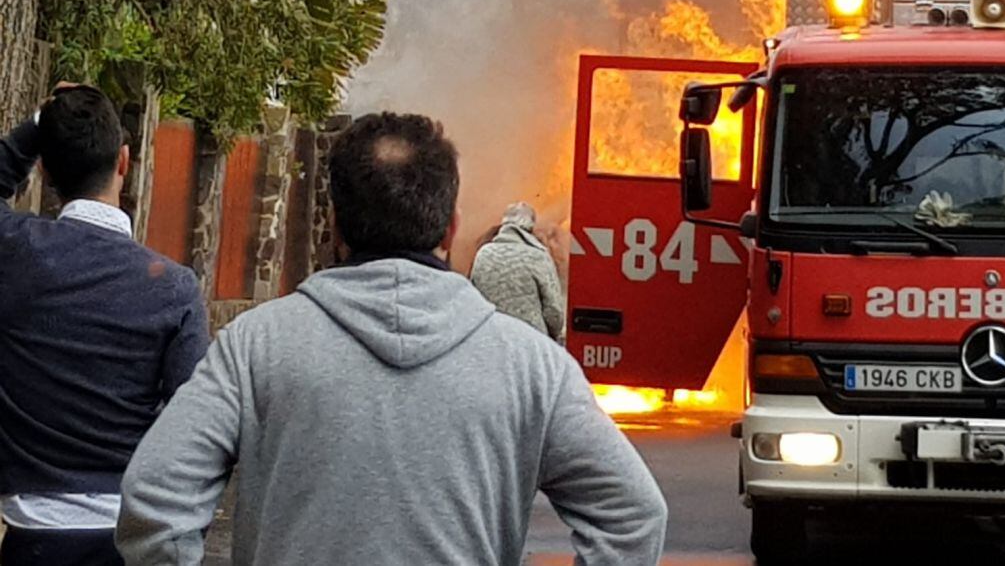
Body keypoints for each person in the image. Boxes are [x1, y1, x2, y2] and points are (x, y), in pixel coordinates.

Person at [117, 112, 667, 566]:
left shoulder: (254, 346)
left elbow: (156, 499)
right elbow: (633, 516)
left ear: (334, 225)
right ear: (451, 229)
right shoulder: (534, 369)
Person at [0, 85, 209, 566]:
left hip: (34, 542)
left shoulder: (14, 254)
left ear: (46, 171)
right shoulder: (173, 288)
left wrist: (37, 126)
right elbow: (195, 428)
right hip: (133, 540)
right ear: (124, 161)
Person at [470, 201, 566, 343]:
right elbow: (554, 314)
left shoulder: (483, 254)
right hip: (531, 344)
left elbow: (473, 302)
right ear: (530, 228)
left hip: (492, 342)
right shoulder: (538, 257)